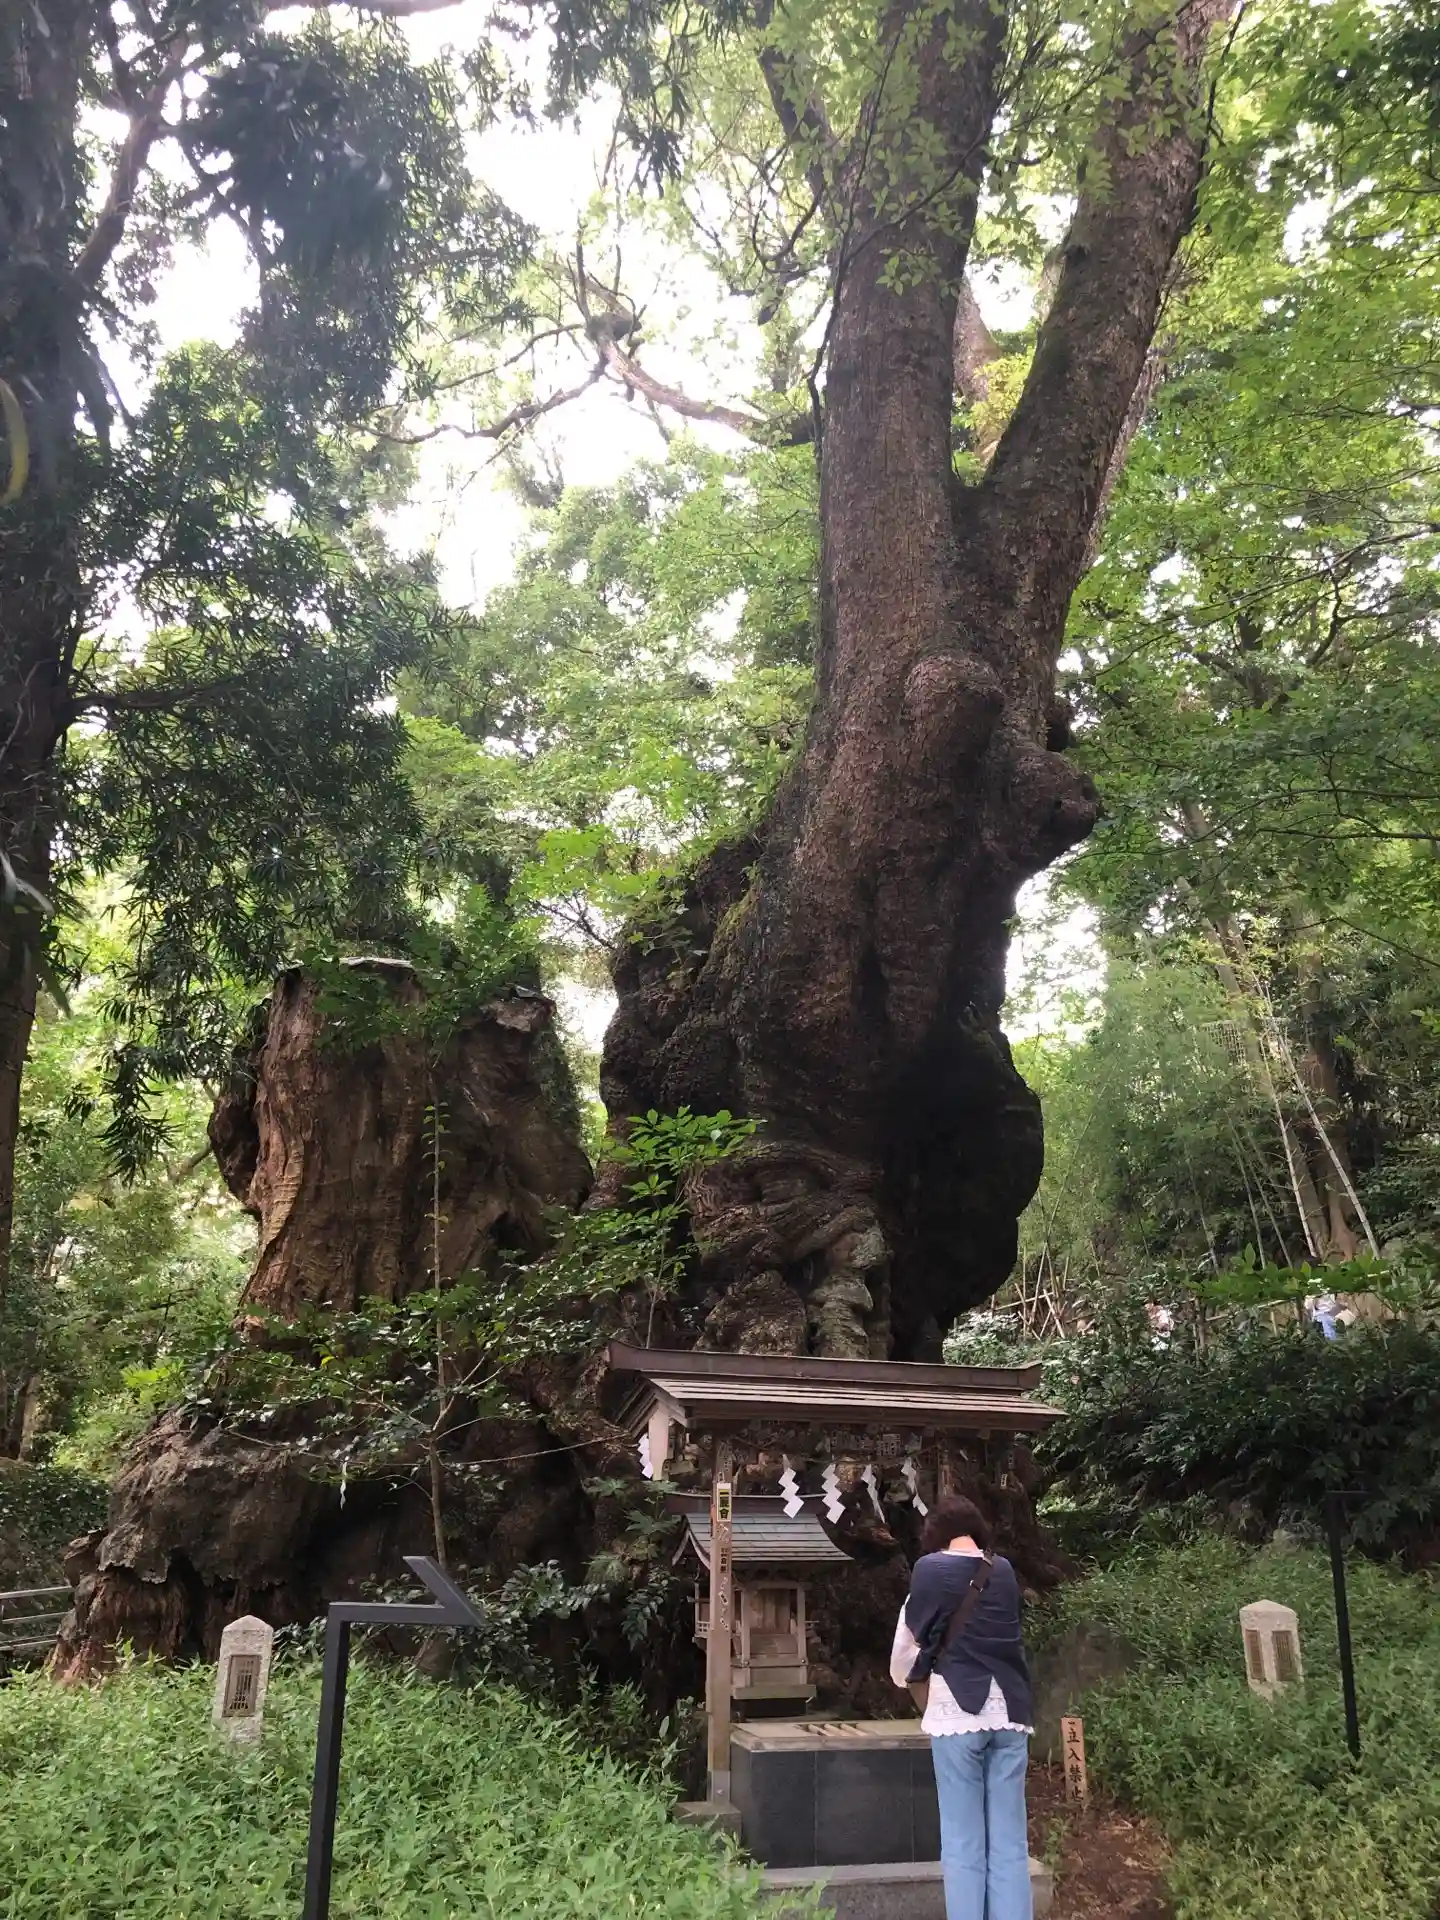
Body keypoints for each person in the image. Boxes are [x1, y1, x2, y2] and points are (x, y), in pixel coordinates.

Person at [890, 1494, 1034, 1920]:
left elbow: (908, 1646)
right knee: (1010, 1844)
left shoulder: (929, 1569)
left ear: (935, 1534)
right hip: (1011, 1713)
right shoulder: (1003, 1570)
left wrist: (909, 1677)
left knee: (962, 1842)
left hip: (958, 1712)